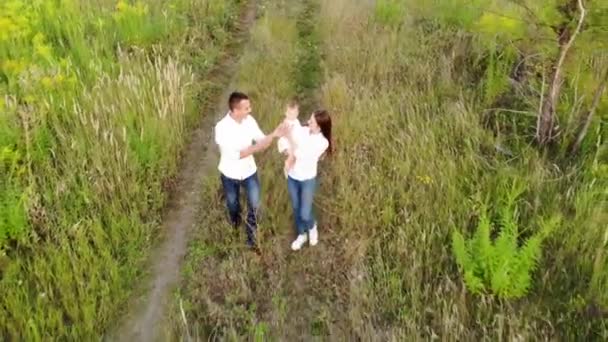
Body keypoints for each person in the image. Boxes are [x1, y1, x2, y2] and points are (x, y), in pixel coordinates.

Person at [214, 91, 287, 248]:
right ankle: (235, 225)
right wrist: (257, 147)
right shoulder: (221, 128)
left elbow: (262, 141)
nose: (250, 110)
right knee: (233, 205)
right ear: (235, 110)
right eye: (246, 108)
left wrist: (274, 135)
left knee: (255, 204)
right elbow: (237, 154)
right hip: (229, 173)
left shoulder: (249, 121)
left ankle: (251, 238)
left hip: (249, 172)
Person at [283, 109, 333, 251]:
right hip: (293, 177)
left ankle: (312, 226)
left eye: (312, 121)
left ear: (319, 126)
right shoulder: (303, 130)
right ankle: (301, 234)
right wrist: (288, 146)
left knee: (305, 212)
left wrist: (291, 151)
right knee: (296, 207)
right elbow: (285, 141)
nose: (308, 122)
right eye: (310, 119)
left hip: (307, 179)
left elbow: (302, 154)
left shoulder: (323, 143)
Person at [277, 99, 301, 177]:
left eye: (294, 113)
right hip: (286, 142)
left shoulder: (296, 121)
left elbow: (299, 130)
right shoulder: (286, 122)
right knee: (292, 154)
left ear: (297, 114)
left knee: (295, 155)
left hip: (294, 141)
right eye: (289, 113)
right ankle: (287, 166)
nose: (291, 116)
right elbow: (286, 134)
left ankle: (292, 168)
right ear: (285, 113)